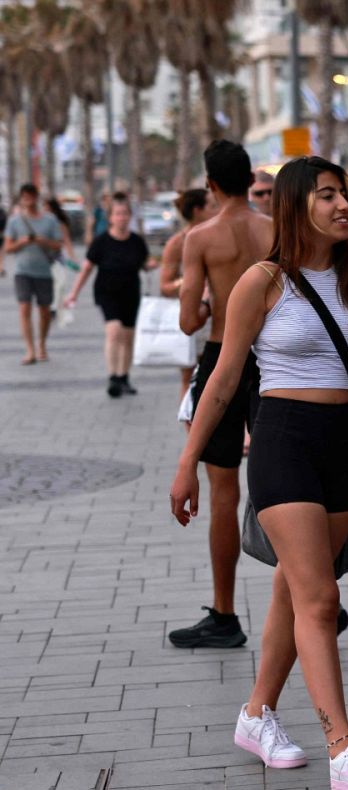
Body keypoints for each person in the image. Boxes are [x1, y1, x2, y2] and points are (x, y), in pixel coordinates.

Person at [169, 156, 348, 790]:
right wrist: (187, 465)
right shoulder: (262, 282)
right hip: (282, 440)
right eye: (327, 195)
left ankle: (257, 715)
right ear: (294, 206)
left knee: (296, 586)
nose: (342, 205)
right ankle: (343, 748)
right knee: (320, 600)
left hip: (345, 445)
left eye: (345, 194)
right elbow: (225, 378)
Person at [167, 140, 276, 650]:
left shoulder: (200, 237)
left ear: (210, 185)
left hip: (221, 361)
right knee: (290, 486)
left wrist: (212, 302)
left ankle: (225, 614)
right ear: (249, 178)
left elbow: (189, 319)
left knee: (224, 494)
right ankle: (319, 597)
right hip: (275, 360)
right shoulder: (276, 231)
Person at [65, 193, 152, 397]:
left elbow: (144, 263)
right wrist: (74, 294)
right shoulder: (101, 242)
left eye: (125, 214)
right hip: (107, 292)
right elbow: (87, 268)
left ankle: (124, 377)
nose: (121, 218)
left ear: (129, 216)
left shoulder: (137, 242)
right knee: (114, 331)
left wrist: (152, 266)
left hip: (131, 293)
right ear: (110, 217)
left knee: (128, 338)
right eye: (117, 214)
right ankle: (113, 377)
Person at [161, 188, 217, 408]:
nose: (218, 210)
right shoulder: (177, 243)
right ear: (197, 211)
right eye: (212, 207)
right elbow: (165, 285)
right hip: (191, 314)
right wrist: (191, 283)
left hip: (217, 315)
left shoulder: (219, 236)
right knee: (188, 375)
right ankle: (191, 428)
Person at [4, 184, 64, 365]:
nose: (28, 199)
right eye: (24, 196)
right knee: (24, 308)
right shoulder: (15, 221)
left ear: (36, 197)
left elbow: (58, 245)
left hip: (44, 272)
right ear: (21, 199)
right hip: (22, 272)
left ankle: (42, 345)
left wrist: (42, 240)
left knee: (44, 311)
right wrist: (21, 242)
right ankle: (30, 350)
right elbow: (7, 247)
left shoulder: (50, 220)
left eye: (31, 196)